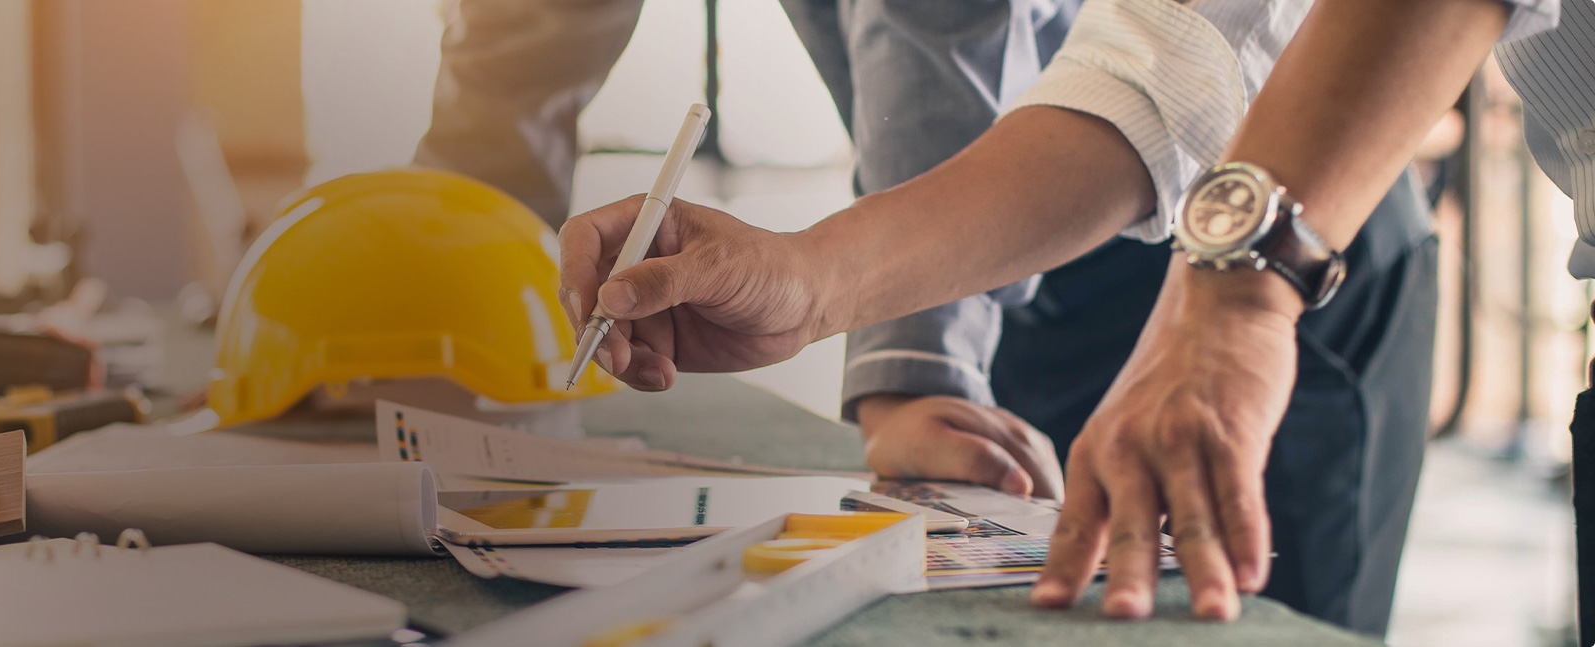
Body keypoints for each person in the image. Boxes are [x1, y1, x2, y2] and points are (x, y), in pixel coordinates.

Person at [416, 0, 1439, 633]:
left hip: (1289, 243)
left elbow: (946, 24)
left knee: (1232, 616)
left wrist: (918, 364)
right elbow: (526, 30)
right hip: (1006, 224)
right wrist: (430, 278)